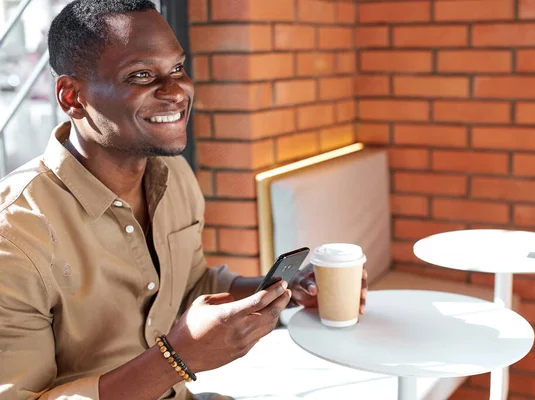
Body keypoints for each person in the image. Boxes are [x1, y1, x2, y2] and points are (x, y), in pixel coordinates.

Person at [0, 1, 368, 399]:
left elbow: (189, 286)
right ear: (72, 97)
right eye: (141, 75)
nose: (176, 91)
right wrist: (175, 359)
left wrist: (282, 289)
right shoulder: (15, 236)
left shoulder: (173, 176)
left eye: (176, 68)